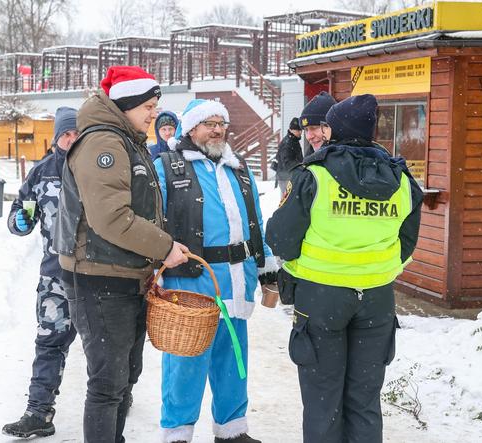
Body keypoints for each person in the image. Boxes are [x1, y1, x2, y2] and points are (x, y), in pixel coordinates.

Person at [265, 94, 423, 443]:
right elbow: (408, 241)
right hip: (377, 301)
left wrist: (300, 264)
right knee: (365, 399)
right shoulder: (401, 179)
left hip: (321, 299)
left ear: (336, 129)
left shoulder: (315, 175)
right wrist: (377, 268)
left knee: (324, 400)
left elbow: (280, 238)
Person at [53, 65, 189, 443]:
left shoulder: (126, 140)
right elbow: (110, 218)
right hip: (99, 278)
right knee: (108, 382)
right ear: (126, 104)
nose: (153, 113)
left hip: (123, 275)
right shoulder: (104, 143)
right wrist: (164, 247)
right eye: (148, 105)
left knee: (125, 376)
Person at [154, 99, 278, 443]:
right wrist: (155, 266)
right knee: (185, 362)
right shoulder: (167, 166)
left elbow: (256, 221)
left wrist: (266, 264)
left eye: (221, 123)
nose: (217, 129)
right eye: (209, 123)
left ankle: (232, 429)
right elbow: (153, 221)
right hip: (190, 281)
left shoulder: (239, 168)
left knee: (233, 360)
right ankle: (177, 432)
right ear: (191, 129)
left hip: (237, 281)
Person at [2, 107, 80, 439]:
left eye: (78, 133)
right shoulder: (41, 172)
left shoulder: (94, 169)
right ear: (57, 137)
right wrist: (18, 221)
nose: (72, 139)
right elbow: (21, 211)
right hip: (55, 275)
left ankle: (118, 398)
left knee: (106, 349)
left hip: (96, 276)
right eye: (67, 134)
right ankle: (38, 413)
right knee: (49, 342)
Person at [299, 92, 336, 157]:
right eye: (306, 130)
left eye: (314, 127)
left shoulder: (351, 162)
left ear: (332, 126)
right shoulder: (310, 158)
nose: (309, 137)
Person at [273, 117, 303, 196]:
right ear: (291, 129)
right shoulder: (288, 143)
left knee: (289, 200)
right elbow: (287, 162)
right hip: (285, 177)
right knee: (286, 201)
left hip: (288, 176)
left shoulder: (293, 140)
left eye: (301, 130)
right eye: (298, 130)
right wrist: (301, 167)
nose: (300, 132)